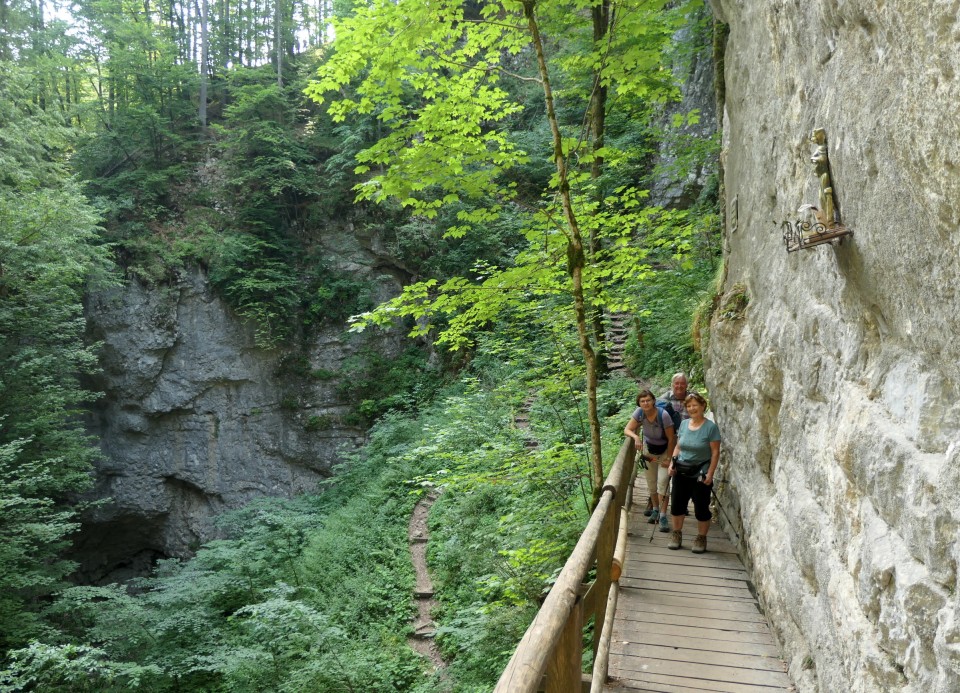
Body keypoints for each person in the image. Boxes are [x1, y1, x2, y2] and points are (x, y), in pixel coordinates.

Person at [667, 392, 720, 554]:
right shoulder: (683, 425)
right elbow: (678, 446)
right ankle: (676, 534)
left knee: (701, 508)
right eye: (689, 406)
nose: (692, 408)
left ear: (703, 406)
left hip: (701, 474)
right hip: (681, 471)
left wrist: (710, 474)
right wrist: (672, 463)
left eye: (695, 405)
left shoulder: (710, 428)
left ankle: (701, 538)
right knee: (677, 505)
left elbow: (715, 452)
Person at [624, 389, 675, 530]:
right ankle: (656, 510)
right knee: (652, 483)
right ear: (639, 403)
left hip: (664, 452)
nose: (645, 403)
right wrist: (635, 437)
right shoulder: (639, 413)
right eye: (642, 401)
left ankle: (663, 515)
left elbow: (672, 438)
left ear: (653, 401)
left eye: (648, 400)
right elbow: (627, 429)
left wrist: (669, 458)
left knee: (663, 483)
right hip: (649, 453)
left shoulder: (663, 415)